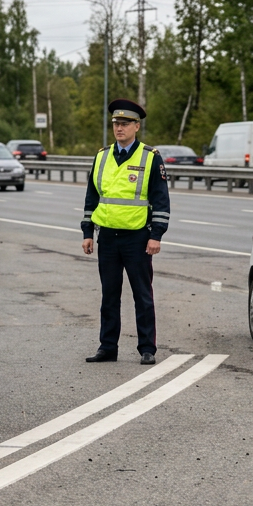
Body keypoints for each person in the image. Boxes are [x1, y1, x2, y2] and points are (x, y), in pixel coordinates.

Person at [81, 99, 170, 365]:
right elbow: (92, 197)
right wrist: (87, 232)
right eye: (115, 124)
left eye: (124, 124)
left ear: (136, 126)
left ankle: (147, 348)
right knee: (109, 296)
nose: (119, 128)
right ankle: (108, 347)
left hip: (138, 238)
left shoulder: (150, 157)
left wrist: (157, 235)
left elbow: (161, 199)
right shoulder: (102, 156)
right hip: (107, 237)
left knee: (142, 295)